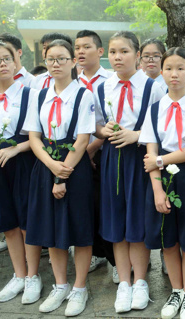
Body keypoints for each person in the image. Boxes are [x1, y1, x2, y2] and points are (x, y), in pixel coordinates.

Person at [94, 31, 165, 314]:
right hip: (112, 157)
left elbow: (158, 129)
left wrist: (135, 135)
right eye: (112, 52)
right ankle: (124, 282)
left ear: (137, 55)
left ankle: (141, 282)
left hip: (140, 158)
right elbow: (96, 125)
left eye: (123, 51)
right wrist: (107, 131)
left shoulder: (152, 88)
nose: (117, 57)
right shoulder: (102, 88)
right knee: (115, 222)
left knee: (137, 221)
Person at [24, 39, 95, 316]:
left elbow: (83, 138)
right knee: (51, 229)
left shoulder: (83, 95)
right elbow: (33, 136)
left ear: (72, 62)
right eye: (51, 59)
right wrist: (51, 166)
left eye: (62, 59)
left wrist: (63, 172)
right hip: (46, 166)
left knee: (79, 228)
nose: (56, 64)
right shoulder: (39, 95)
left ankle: (79, 287)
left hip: (74, 168)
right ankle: (60, 284)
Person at [141, 47, 185, 319]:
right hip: (161, 179)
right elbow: (150, 149)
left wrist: (159, 162)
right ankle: (177, 290)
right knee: (168, 240)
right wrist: (158, 190)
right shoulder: (155, 109)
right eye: (169, 68)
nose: (174, 73)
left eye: (181, 68)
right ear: (162, 71)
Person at [0, 41, 39, 304]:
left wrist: (15, 150)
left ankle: (34, 276)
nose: (2, 63)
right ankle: (19, 274)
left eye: (7, 58)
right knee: (8, 224)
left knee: (26, 222)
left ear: (15, 63)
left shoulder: (29, 94)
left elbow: (40, 137)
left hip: (22, 162)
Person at [75, 30, 116, 275]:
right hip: (77, 155)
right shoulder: (71, 82)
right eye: (77, 47)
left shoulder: (110, 81)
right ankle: (94, 253)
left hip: (102, 150)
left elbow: (111, 122)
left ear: (100, 52)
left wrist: (92, 149)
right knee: (85, 205)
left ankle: (115, 259)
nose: (81, 51)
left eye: (86, 47)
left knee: (106, 205)